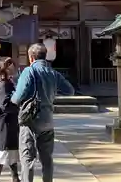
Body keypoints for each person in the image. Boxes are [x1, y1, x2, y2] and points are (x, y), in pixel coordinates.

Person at [11, 43, 75, 182]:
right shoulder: (53, 73)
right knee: (47, 159)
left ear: (31, 57)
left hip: (30, 120)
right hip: (47, 120)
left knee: (27, 158)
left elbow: (18, 97)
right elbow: (70, 90)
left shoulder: (29, 71)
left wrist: (12, 96)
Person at [0, 57, 20, 182]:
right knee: (2, 154)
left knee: (10, 154)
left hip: (6, 124)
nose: (13, 68)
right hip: (6, 125)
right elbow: (6, 105)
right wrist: (19, 103)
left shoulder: (5, 84)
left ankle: (15, 177)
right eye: (10, 65)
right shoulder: (3, 86)